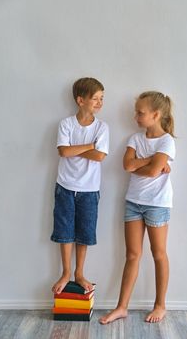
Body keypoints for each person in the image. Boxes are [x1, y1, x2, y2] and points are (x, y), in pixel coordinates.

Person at [99, 91, 175, 324]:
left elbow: (152, 172)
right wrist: (150, 161)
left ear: (156, 114)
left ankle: (160, 305)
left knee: (158, 253)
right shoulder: (135, 139)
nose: (136, 116)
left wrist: (143, 165)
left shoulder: (166, 141)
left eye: (140, 113)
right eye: (136, 112)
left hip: (157, 204)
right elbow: (127, 165)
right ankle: (122, 307)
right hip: (133, 202)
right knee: (132, 255)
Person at [51, 77, 109, 294]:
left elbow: (100, 156)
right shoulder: (66, 124)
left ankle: (79, 272)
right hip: (65, 186)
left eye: (102, 98)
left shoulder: (102, 127)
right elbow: (63, 152)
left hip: (90, 190)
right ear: (80, 100)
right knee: (64, 231)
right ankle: (65, 272)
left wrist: (78, 148)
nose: (100, 103)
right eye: (95, 98)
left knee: (84, 232)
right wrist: (89, 146)